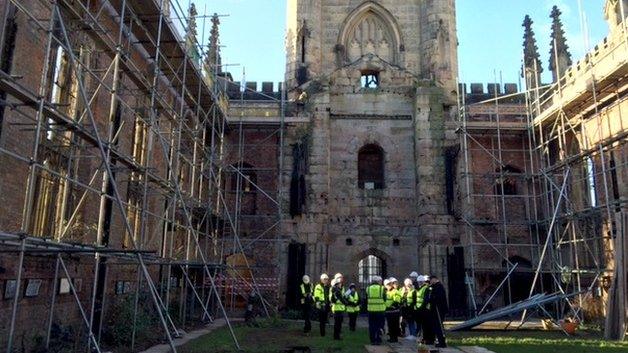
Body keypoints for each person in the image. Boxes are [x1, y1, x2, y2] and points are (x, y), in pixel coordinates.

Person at [425, 275, 448, 348]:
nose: (430, 282)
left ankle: (442, 342)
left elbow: (437, 297)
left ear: (434, 279)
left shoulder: (439, 286)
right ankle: (439, 340)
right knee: (436, 326)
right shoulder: (434, 286)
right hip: (435, 309)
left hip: (439, 309)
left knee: (439, 326)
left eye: (431, 280)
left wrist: (431, 299)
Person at [366, 276, 386, 345]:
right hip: (380, 311)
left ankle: (372, 340)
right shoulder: (382, 288)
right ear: (378, 282)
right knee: (379, 326)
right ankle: (378, 340)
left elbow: (366, 299)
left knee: (372, 326)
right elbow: (385, 298)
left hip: (371, 310)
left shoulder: (368, 288)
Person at [385, 277, 402, 343]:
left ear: (391, 284)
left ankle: (395, 338)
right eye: (387, 285)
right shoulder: (387, 292)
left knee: (394, 325)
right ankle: (391, 337)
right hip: (389, 311)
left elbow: (397, 301)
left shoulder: (395, 291)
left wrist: (391, 305)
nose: (388, 286)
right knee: (390, 325)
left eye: (389, 284)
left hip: (394, 311)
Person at [415, 275, 431, 343]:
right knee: (421, 325)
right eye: (419, 282)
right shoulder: (419, 288)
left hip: (424, 309)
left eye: (421, 282)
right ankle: (423, 338)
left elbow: (425, 299)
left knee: (425, 325)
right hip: (419, 308)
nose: (419, 283)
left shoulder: (425, 288)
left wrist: (421, 307)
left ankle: (426, 338)